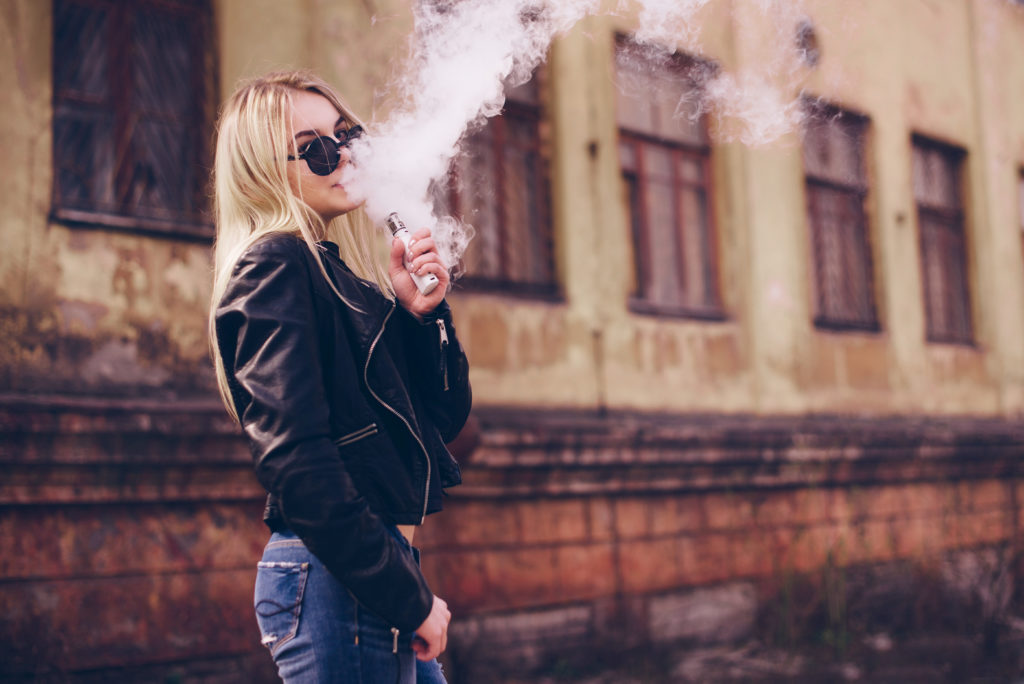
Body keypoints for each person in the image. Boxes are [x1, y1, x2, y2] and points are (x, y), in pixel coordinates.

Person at [208, 70, 472, 684]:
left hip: (368, 568)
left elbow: (444, 418)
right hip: (341, 577)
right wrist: (407, 599)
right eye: (316, 147)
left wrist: (421, 316)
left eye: (346, 134)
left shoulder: (340, 281)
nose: (344, 155)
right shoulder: (275, 264)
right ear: (264, 169)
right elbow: (298, 462)